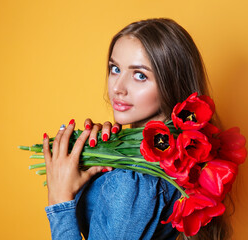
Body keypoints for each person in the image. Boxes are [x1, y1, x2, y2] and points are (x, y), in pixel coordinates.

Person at [42, 18, 232, 240]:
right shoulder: (167, 162)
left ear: (170, 83)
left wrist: (60, 200)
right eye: (115, 69)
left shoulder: (134, 182)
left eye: (140, 75)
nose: (117, 87)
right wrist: (95, 154)